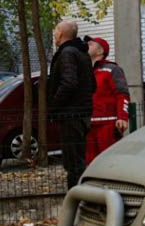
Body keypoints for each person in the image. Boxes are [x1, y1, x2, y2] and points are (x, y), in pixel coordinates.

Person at [47, 21, 95, 189]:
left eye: (55, 31)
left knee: (73, 164)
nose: (54, 35)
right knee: (78, 161)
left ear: (60, 34)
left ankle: (76, 202)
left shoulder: (67, 53)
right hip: (82, 114)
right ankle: (80, 199)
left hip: (71, 116)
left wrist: (53, 105)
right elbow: (92, 84)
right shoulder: (83, 54)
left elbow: (69, 83)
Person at [85, 36, 130, 164]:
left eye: (91, 44)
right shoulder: (84, 70)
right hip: (88, 125)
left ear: (100, 51)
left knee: (109, 162)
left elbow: (122, 93)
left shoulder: (112, 69)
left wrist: (122, 117)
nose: (87, 45)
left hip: (107, 125)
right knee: (90, 163)